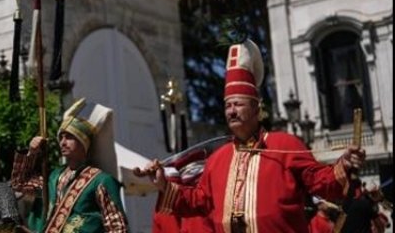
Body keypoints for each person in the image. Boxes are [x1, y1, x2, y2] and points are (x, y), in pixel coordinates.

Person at [135, 40, 366, 231]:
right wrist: (164, 183)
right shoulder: (217, 159)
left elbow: (322, 182)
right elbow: (198, 201)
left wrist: (344, 164)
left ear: (256, 109)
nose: (231, 111)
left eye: (238, 104)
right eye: (227, 106)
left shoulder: (285, 144)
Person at [12, 99, 128, 233]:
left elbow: (118, 227)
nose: (62, 142)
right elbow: (20, 183)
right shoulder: (54, 177)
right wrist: (31, 153)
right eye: (61, 137)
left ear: (83, 142)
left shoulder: (101, 180)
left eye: (69, 137)